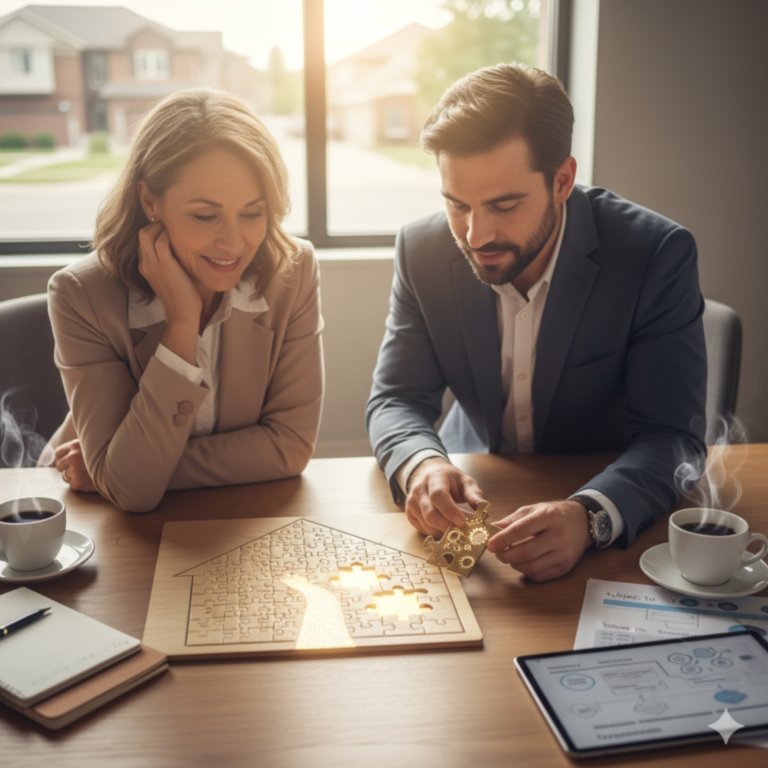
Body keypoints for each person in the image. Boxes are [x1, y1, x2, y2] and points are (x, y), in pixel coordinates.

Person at [365, 63, 707, 582]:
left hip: (602, 500)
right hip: (476, 476)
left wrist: (590, 516)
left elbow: (671, 436)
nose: (476, 236)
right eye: (458, 205)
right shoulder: (422, 249)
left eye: (504, 205)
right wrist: (423, 465)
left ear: (562, 180)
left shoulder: (654, 253)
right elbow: (396, 399)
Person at [45, 89, 324, 512]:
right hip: (94, 521)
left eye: (253, 213)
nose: (233, 243)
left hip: (236, 518)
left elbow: (289, 448)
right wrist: (181, 323)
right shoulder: (80, 295)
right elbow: (130, 497)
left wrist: (126, 471)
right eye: (205, 215)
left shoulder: (293, 269)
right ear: (150, 201)